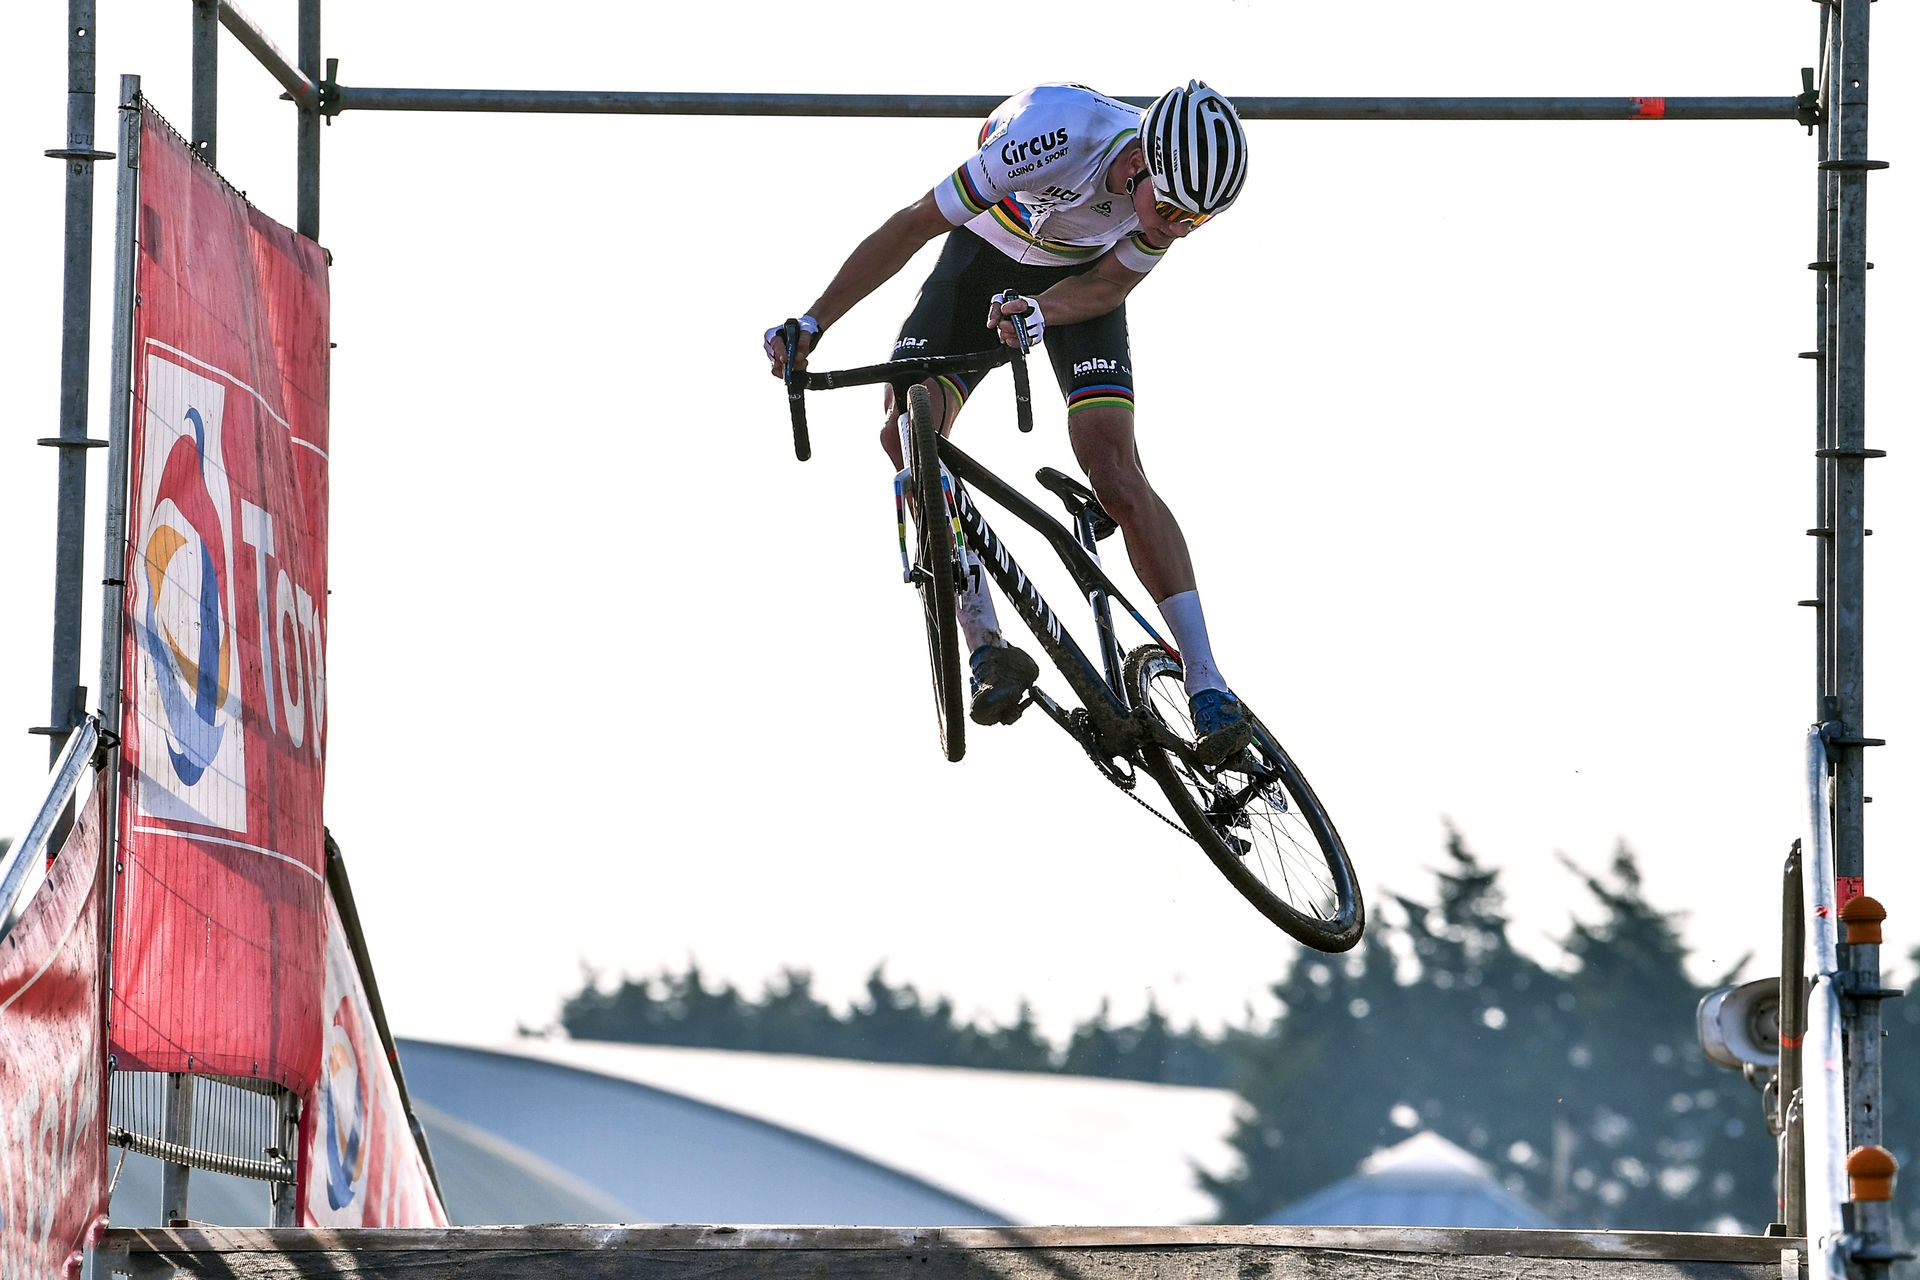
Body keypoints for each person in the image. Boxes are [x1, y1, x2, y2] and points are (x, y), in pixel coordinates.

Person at [766, 80, 1253, 766]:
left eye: (1195, 223)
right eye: (1171, 209)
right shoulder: (1053, 135)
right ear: (1140, 159)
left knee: (1114, 467)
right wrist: (816, 320)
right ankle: (987, 647)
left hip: (1079, 284)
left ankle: (1207, 681)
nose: (1175, 227)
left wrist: (1041, 313)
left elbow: (1109, 286)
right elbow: (912, 226)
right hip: (980, 260)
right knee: (909, 430)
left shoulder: (1170, 196)